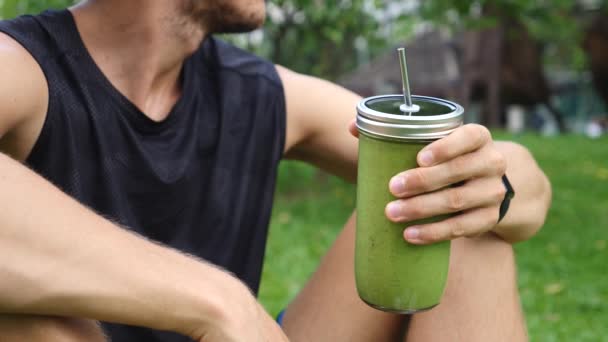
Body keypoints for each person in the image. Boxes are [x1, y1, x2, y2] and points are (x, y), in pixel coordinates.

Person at [0, 1, 551, 341]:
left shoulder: (259, 93)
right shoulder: (23, 65)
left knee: (463, 231)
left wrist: (488, 185)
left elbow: (525, 186)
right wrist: (216, 301)